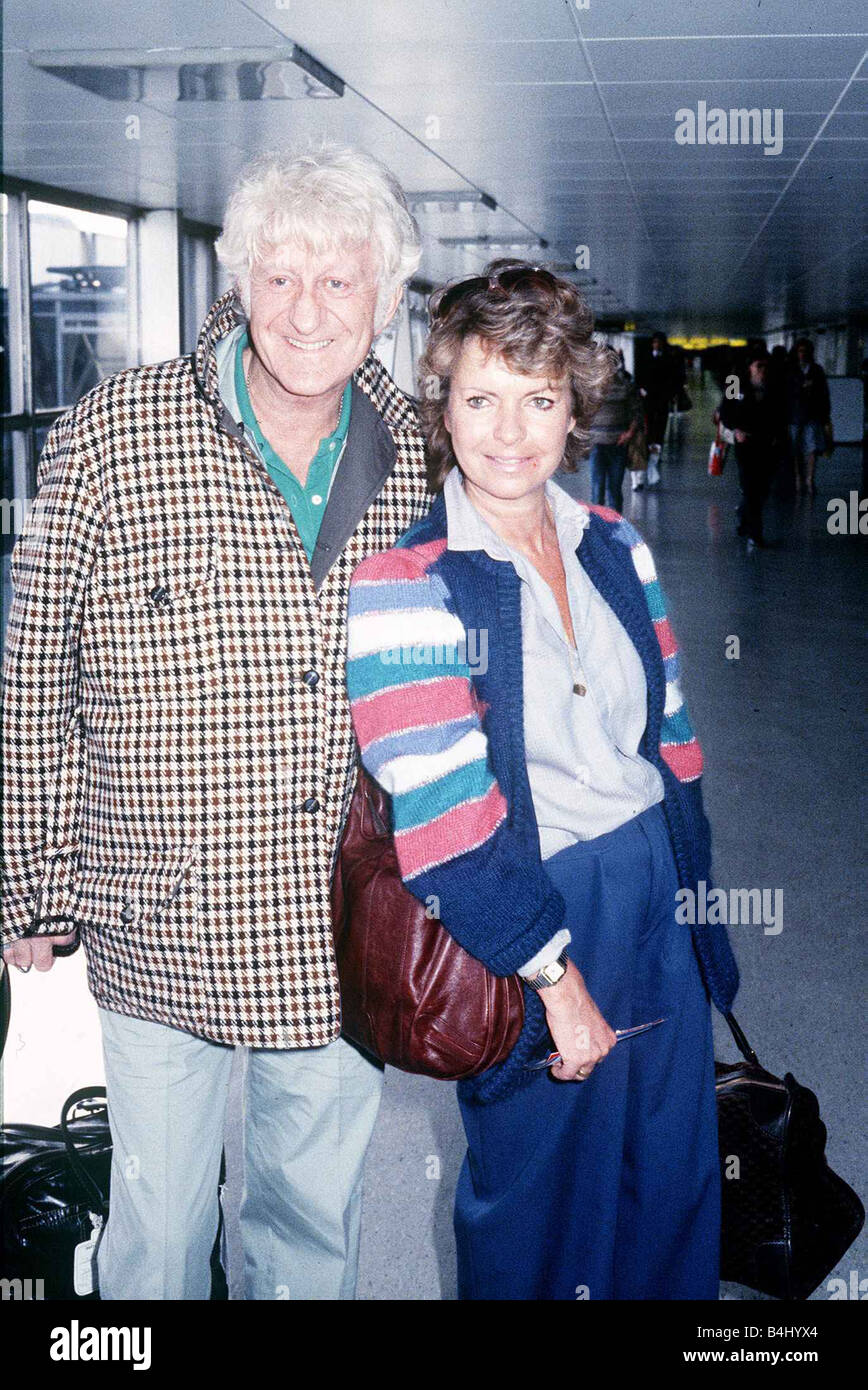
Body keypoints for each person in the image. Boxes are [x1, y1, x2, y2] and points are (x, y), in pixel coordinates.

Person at [1, 144, 432, 1300]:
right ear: (236, 285)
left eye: (339, 282)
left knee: (310, 1220)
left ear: (385, 303)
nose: (305, 312)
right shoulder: (109, 436)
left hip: (335, 920)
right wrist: (30, 886)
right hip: (159, 908)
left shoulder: (418, 463)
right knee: (158, 1223)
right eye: (278, 277)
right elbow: (37, 671)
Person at [346, 261, 739, 1300]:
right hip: (528, 911)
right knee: (536, 1196)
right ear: (442, 406)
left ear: (576, 410)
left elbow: (675, 741)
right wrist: (553, 978)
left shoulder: (616, 547)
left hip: (652, 886)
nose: (509, 430)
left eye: (538, 398)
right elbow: (441, 824)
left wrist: (697, 913)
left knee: (669, 1174)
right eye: (480, 397)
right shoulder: (406, 583)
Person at [719, 349, 783, 551]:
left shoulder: (774, 385)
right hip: (745, 443)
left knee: (762, 489)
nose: (762, 371)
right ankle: (756, 534)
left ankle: (744, 513)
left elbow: (783, 412)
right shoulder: (734, 382)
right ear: (750, 367)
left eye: (765, 366)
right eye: (758, 366)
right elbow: (725, 412)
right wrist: (735, 429)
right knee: (750, 486)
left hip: (767, 444)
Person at [587, 349, 641, 510]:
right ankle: (599, 529)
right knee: (597, 490)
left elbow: (637, 412)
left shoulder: (626, 385)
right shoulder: (590, 386)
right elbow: (581, 412)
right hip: (596, 444)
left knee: (615, 489)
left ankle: (615, 528)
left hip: (618, 444)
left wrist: (629, 433)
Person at [787, 337, 831, 496]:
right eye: (800, 351)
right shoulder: (791, 370)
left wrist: (825, 415)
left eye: (805, 351)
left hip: (811, 414)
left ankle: (809, 478)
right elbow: (786, 392)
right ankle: (799, 478)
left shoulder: (817, 370)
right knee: (796, 449)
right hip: (795, 415)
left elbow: (824, 393)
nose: (802, 354)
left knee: (811, 448)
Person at [635, 330, 677, 486]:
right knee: (648, 427)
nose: (657, 345)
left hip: (661, 400)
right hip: (648, 400)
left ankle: (656, 453)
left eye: (659, 342)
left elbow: (673, 379)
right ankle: (648, 452)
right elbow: (639, 376)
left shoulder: (668, 359)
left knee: (659, 427)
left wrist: (669, 394)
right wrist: (641, 389)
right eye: (655, 342)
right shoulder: (645, 358)